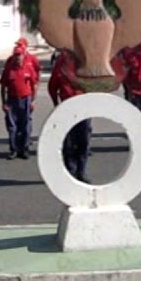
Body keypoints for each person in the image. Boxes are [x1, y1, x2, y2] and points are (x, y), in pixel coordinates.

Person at [49, 48, 92, 183]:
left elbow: (94, 84)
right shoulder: (60, 65)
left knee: (83, 141)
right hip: (67, 108)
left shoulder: (86, 65)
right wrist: (57, 105)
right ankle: (70, 172)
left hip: (83, 107)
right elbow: (52, 86)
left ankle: (81, 171)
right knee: (68, 142)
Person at [4, 38, 42, 154]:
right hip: (12, 98)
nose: (18, 56)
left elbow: (36, 76)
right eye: (17, 46)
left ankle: (25, 146)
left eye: (21, 45)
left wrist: (34, 97)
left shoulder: (31, 60)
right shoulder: (10, 63)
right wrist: (4, 101)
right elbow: (4, 84)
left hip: (26, 97)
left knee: (26, 123)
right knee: (13, 125)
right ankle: (14, 148)